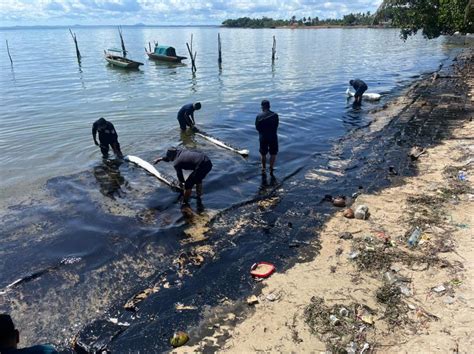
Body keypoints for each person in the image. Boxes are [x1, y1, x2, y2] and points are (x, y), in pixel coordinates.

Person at [255, 100, 279, 174]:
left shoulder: (259, 116)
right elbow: (276, 125)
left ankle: (263, 168)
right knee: (273, 153)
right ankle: (271, 168)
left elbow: (257, 127)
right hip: (273, 136)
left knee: (263, 153)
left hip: (263, 137)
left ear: (262, 107)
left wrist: (262, 132)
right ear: (269, 106)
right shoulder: (275, 115)